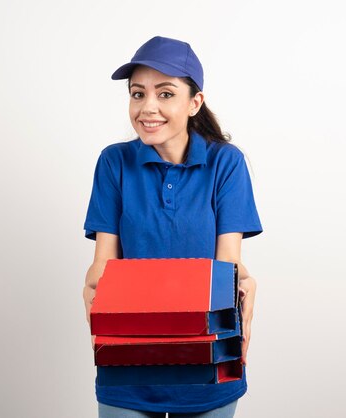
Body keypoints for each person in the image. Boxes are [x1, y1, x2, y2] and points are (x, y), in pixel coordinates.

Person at [83, 36, 262, 418]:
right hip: (128, 362)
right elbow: (104, 262)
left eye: (165, 94)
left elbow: (226, 265)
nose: (148, 107)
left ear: (194, 102)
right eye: (137, 94)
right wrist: (94, 288)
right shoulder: (113, 163)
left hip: (206, 359)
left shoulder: (226, 164)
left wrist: (244, 282)